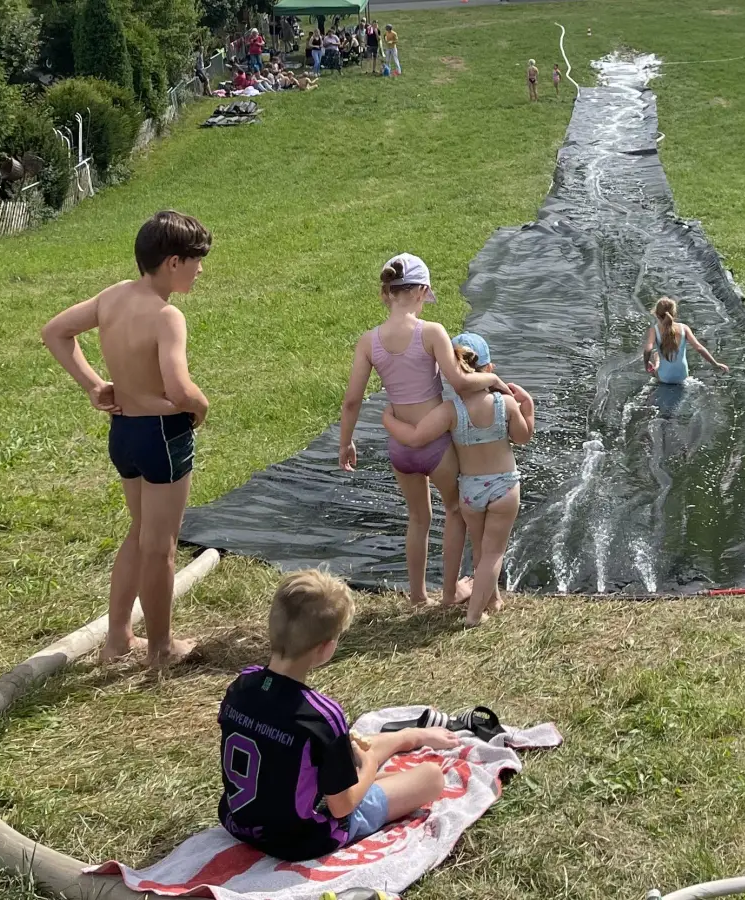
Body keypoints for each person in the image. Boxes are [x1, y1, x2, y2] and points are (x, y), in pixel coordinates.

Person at [42, 211, 213, 668]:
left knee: (139, 534)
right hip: (162, 433)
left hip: (125, 434)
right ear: (173, 262)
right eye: (197, 260)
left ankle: (118, 637)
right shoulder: (166, 315)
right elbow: (178, 389)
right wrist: (201, 405)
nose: (202, 270)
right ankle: (161, 647)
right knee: (161, 545)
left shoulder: (113, 296)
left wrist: (94, 385)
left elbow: (55, 332)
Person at [218, 570, 456, 861]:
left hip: (237, 820)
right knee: (431, 778)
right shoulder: (321, 716)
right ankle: (398, 750)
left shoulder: (242, 685)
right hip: (301, 839)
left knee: (349, 749)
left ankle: (408, 737)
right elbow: (342, 807)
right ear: (326, 648)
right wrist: (368, 768)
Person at [338, 254, 506, 611]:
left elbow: (351, 401)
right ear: (423, 291)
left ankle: (417, 594)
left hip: (400, 447)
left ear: (387, 293)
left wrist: (346, 442)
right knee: (456, 511)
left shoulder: (369, 341)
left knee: (418, 518)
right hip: (436, 444)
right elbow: (458, 379)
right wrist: (491, 378)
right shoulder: (431, 332)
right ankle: (449, 593)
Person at [384, 335, 534, 627]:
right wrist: (527, 406)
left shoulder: (450, 411)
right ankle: (474, 616)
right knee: (494, 553)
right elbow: (523, 437)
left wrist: (388, 420)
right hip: (503, 487)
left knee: (480, 548)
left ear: (453, 376)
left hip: (470, 491)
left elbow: (415, 437)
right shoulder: (505, 403)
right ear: (489, 368)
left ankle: (491, 599)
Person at [641, 297, 729, 385]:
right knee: (659, 356)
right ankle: (658, 360)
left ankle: (657, 362)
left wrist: (646, 364)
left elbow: (648, 349)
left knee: (655, 363)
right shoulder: (684, 328)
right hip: (682, 376)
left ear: (656, 314)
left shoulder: (654, 330)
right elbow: (699, 348)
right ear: (674, 314)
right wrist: (716, 364)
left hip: (664, 378)